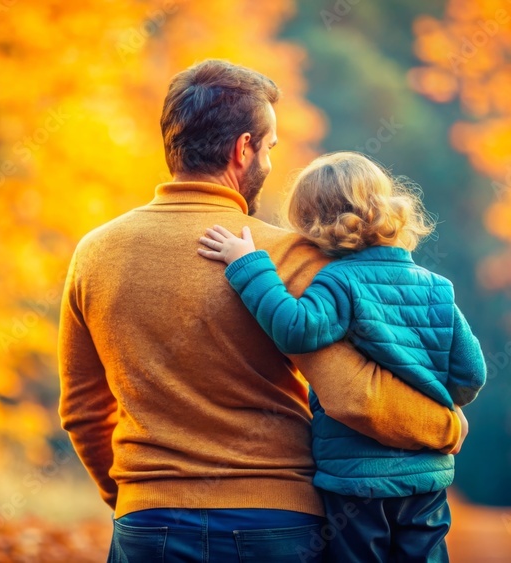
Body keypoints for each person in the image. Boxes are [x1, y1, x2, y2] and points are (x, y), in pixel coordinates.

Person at [57, 59, 469, 563]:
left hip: (149, 523)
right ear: (243, 149)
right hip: (276, 524)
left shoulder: (96, 252)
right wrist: (445, 426)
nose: (271, 163)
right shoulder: (290, 256)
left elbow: (81, 411)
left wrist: (131, 502)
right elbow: (352, 397)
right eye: (270, 147)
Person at [198, 151, 487, 561]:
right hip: (426, 479)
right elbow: (471, 373)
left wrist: (248, 267)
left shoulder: (337, 281)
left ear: (314, 225)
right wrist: (440, 399)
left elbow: (295, 328)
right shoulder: (437, 286)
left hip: (356, 483)